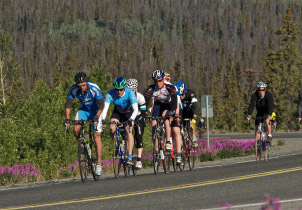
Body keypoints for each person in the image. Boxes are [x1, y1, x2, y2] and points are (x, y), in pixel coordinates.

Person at [64, 71, 104, 176]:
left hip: (96, 110)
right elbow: (68, 104)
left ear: (87, 82)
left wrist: (96, 117)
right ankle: (84, 145)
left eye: (83, 85)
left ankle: (99, 164)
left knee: (96, 136)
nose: (81, 87)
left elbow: (101, 105)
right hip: (84, 110)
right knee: (76, 129)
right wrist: (67, 119)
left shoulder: (94, 88)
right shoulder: (73, 89)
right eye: (79, 85)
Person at [145, 70, 182, 165]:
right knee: (153, 126)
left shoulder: (170, 87)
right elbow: (145, 102)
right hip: (157, 105)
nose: (158, 83)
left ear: (163, 79)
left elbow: (174, 102)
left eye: (160, 80)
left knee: (165, 115)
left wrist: (173, 111)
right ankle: (157, 151)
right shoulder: (151, 88)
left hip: (168, 105)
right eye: (156, 81)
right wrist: (144, 112)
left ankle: (168, 141)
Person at [100, 77, 138, 166]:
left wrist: (131, 119)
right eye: (117, 90)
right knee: (112, 128)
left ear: (124, 88)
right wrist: (102, 120)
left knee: (129, 130)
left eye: (121, 90)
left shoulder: (130, 93)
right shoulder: (110, 93)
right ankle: (117, 145)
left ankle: (129, 156)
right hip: (117, 112)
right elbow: (105, 109)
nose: (119, 92)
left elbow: (136, 109)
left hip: (129, 113)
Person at [126, 78, 147, 169]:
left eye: (132, 89)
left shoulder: (140, 97)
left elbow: (143, 113)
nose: (131, 91)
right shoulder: (125, 97)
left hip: (139, 116)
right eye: (129, 89)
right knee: (126, 131)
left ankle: (139, 159)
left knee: (139, 136)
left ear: (136, 89)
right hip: (129, 116)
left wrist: (137, 121)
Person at [176, 80, 199, 147]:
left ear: (185, 92)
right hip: (182, 111)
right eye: (179, 95)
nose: (181, 97)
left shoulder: (190, 93)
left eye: (182, 94)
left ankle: (194, 137)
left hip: (190, 111)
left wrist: (194, 117)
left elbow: (195, 105)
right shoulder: (176, 95)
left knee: (193, 122)